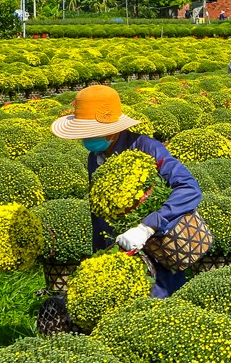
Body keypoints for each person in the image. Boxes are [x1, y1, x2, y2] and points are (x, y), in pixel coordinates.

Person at [51, 85, 202, 297]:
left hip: (160, 254)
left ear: (113, 129)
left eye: (90, 131)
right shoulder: (94, 158)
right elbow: (99, 214)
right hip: (120, 256)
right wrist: (100, 254)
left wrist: (147, 226)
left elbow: (189, 189)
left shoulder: (147, 148)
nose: (86, 138)